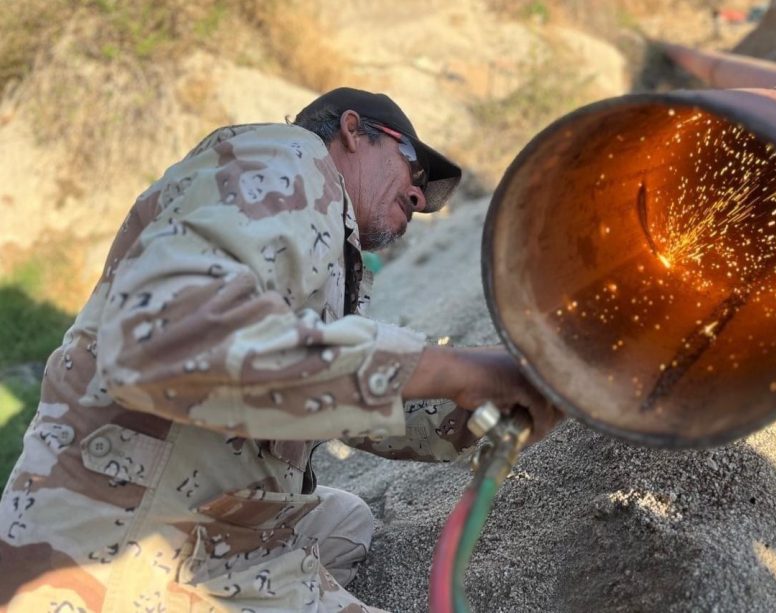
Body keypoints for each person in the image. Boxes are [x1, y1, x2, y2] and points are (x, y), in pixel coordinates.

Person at [0, 88, 561, 611]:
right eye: (411, 167)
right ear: (351, 131)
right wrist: (446, 366)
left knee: (345, 520)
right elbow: (164, 338)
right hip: (116, 549)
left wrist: (481, 409)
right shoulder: (289, 159)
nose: (419, 194)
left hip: (214, 526)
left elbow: (337, 395)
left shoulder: (323, 242)